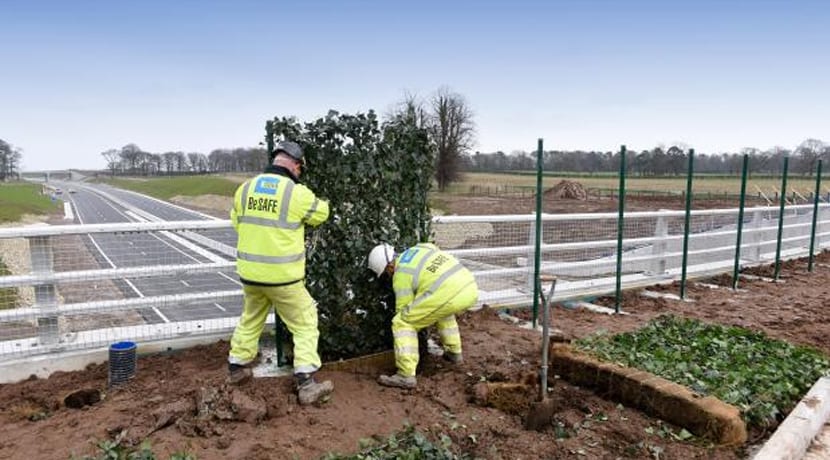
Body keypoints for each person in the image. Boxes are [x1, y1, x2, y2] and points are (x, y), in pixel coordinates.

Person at [227, 140, 333, 406]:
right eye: (300, 169)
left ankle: (236, 367)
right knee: (305, 321)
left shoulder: (244, 189)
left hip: (251, 275)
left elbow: (237, 223)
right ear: (296, 165)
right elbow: (321, 214)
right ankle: (306, 381)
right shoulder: (296, 192)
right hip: (284, 277)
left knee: (251, 317)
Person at [367, 242, 479, 389]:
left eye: (386, 274)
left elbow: (404, 311)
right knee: (441, 311)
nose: (388, 276)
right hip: (469, 287)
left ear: (389, 266)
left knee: (402, 322)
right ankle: (454, 353)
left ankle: (405, 375)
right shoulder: (420, 248)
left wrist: (408, 333)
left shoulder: (401, 274)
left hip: (449, 293)